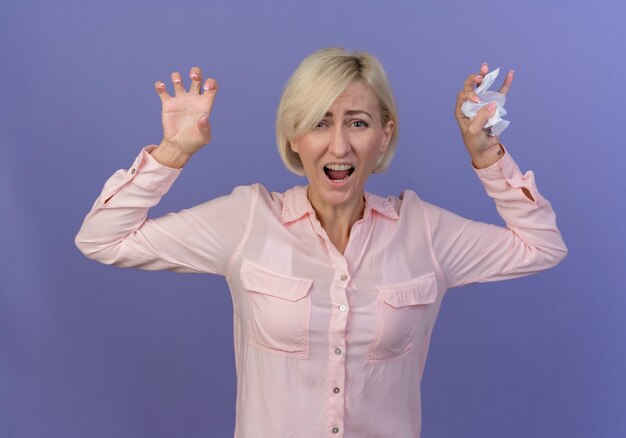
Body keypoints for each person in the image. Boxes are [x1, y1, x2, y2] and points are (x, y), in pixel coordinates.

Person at [75, 48, 567, 437]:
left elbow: (542, 246)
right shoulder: (247, 220)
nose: (338, 145)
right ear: (293, 137)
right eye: (319, 122)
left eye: (357, 122)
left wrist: (487, 155)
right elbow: (102, 238)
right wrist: (173, 152)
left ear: (384, 135)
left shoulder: (424, 232)